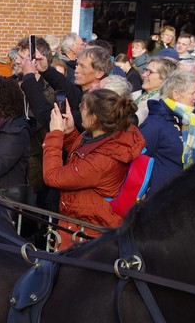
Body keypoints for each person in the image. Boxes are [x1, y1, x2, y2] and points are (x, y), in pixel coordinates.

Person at [42, 88, 145, 248]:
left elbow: (53, 177)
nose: (79, 111)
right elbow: (82, 161)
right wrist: (69, 133)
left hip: (87, 237)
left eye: (82, 107)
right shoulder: (104, 136)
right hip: (82, 224)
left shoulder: (104, 158)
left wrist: (55, 133)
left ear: (94, 119)